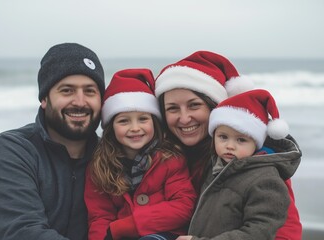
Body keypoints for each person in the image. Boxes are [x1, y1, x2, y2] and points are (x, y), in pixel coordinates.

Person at [154, 51, 303, 240]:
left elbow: (282, 232)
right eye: (173, 108)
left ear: (215, 108)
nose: (184, 118)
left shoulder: (254, 160)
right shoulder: (167, 157)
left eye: (194, 105)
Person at [0, 43, 105, 240]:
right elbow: (23, 232)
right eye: (67, 90)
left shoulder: (110, 157)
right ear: (44, 98)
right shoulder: (10, 151)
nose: (80, 102)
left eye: (90, 91)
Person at [84, 68, 197, 240]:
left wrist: (128, 226)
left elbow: (184, 206)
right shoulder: (99, 166)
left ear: (154, 122)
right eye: (124, 121)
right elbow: (100, 216)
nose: (135, 128)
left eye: (143, 119)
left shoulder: (170, 159)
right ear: (111, 128)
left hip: (164, 234)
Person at [179, 89, 301, 239]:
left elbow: (259, 232)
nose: (230, 146)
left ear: (256, 143)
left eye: (241, 140)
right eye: (223, 137)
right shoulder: (216, 166)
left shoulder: (265, 179)